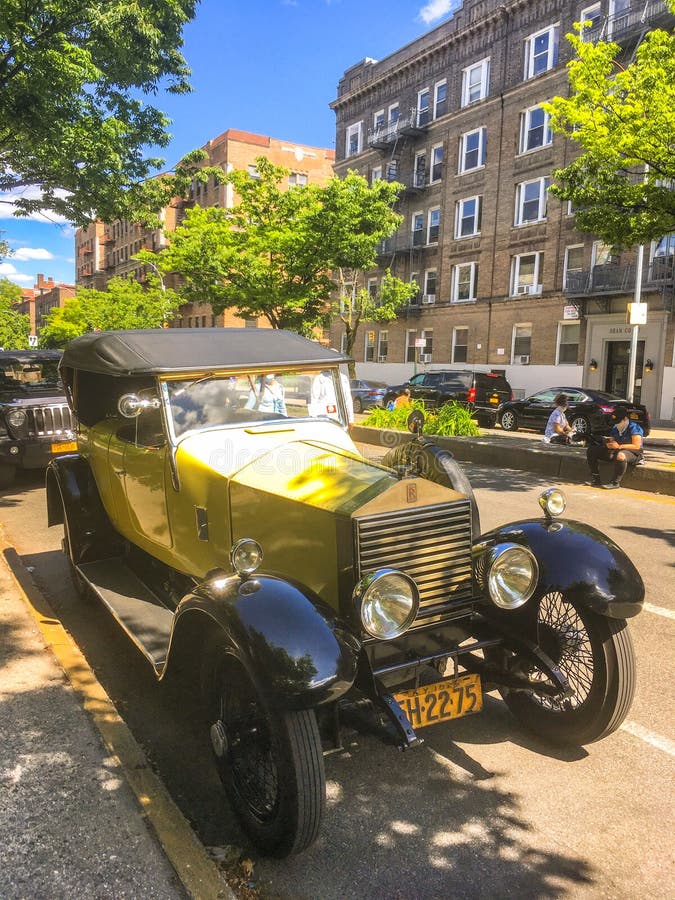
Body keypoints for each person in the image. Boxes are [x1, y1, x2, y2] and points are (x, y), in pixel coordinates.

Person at [586, 404, 644, 489]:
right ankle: (596, 479)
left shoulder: (634, 427)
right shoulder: (615, 428)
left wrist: (619, 446)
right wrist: (609, 443)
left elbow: (636, 446)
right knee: (592, 450)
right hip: (616, 450)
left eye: (618, 422)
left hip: (633, 452)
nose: (617, 424)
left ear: (625, 419)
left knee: (621, 456)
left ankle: (615, 482)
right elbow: (612, 440)